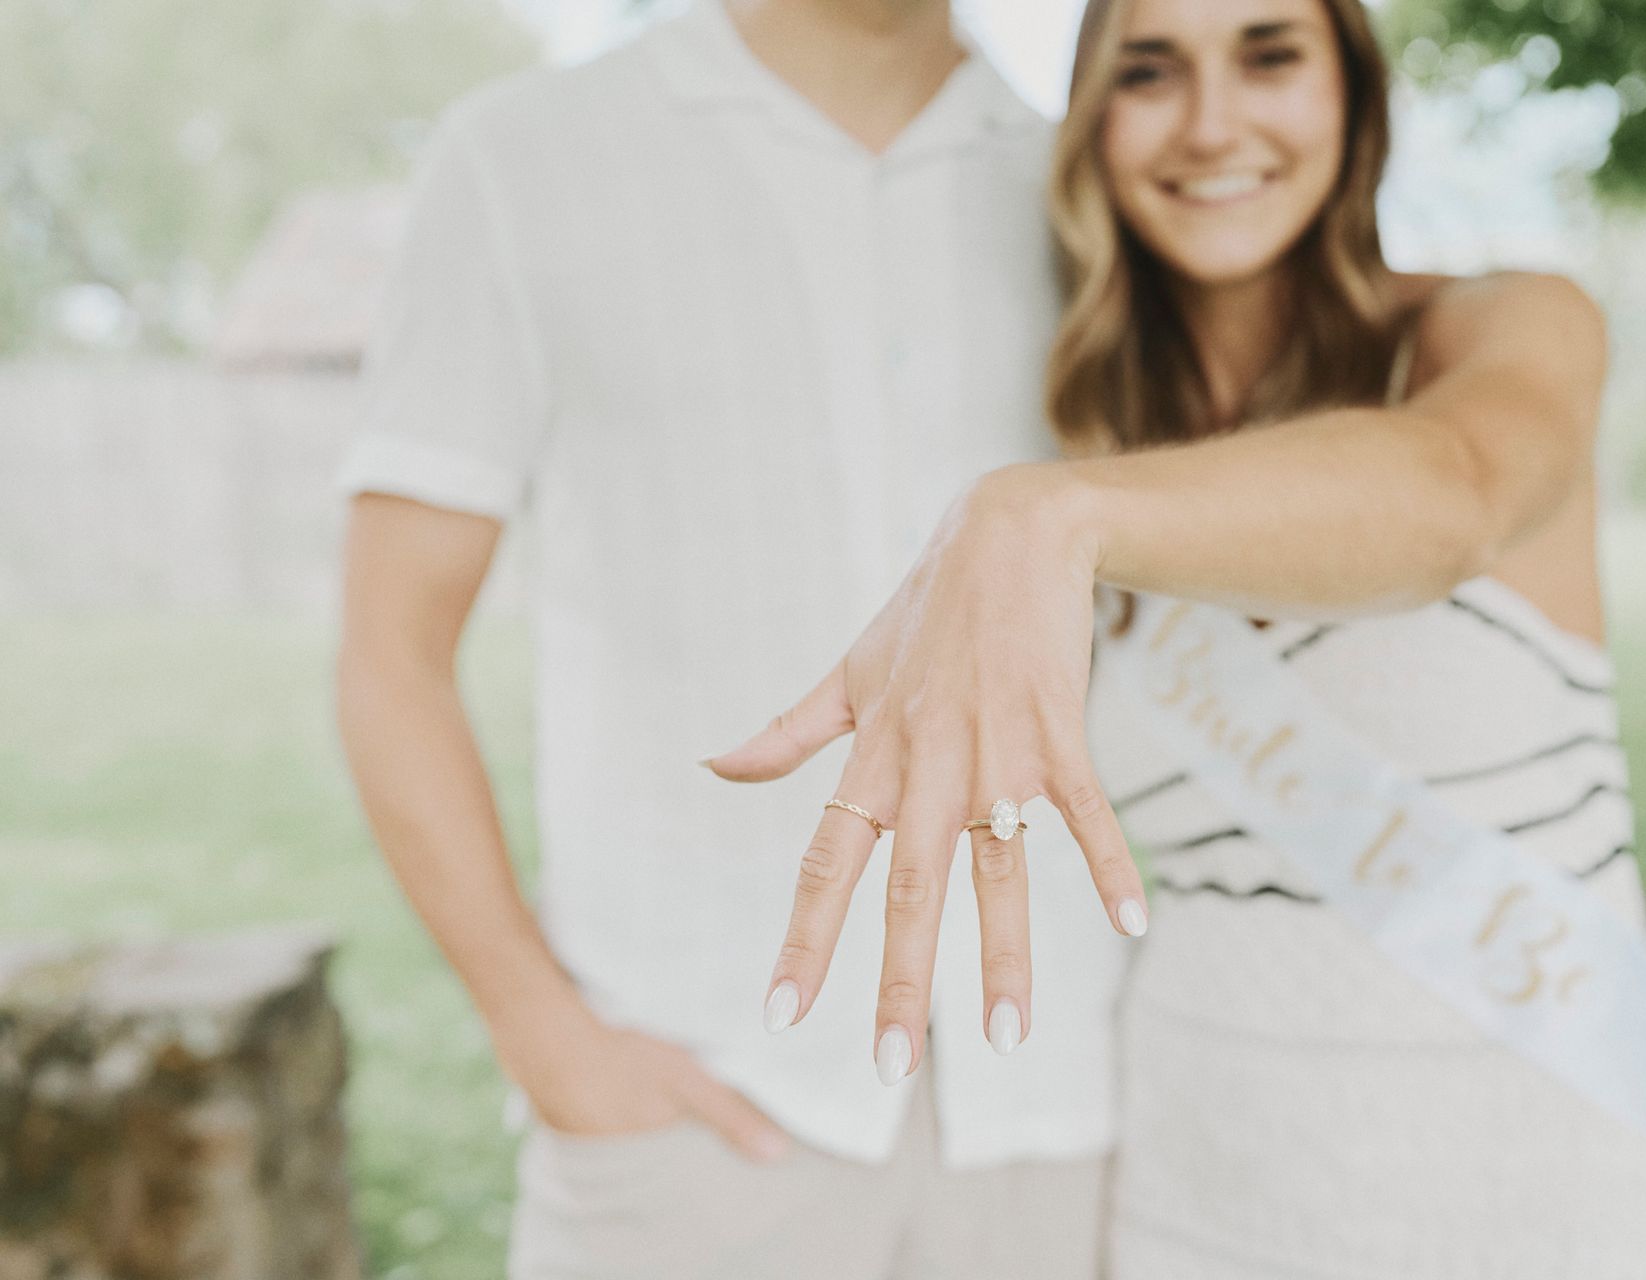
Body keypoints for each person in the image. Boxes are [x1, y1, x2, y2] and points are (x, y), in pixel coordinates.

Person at [703, 0, 1646, 1273]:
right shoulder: (1070, 441)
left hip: (1548, 1180)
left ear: (1352, 96)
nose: (1212, 123)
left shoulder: (1501, 328)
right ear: (1092, 125)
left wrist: (1043, 512)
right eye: (1149, 70)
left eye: (1269, 54)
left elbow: (1460, 488)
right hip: (1204, 1192)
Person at [332, 2, 1134, 1276]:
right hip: (701, 1105)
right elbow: (390, 653)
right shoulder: (526, 157)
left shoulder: (1101, 184)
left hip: (1071, 1109)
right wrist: (546, 1036)